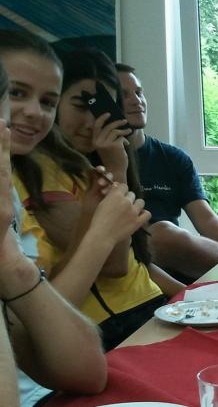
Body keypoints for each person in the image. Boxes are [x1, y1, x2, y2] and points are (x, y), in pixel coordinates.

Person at [3, 32, 167, 350]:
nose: (93, 122)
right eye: (16, 93)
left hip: (142, 307)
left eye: (103, 108)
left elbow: (135, 261)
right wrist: (116, 168)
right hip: (109, 326)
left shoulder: (80, 166)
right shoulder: (38, 170)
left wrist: (188, 291)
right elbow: (115, 265)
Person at [0, 37, 107, 406]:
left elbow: (88, 373)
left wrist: (12, 264)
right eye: (17, 93)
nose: (34, 112)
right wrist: (102, 232)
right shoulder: (33, 176)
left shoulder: (10, 195)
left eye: (47, 102)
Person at [116, 63, 218, 281]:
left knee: (166, 233)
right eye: (123, 95)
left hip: (180, 267)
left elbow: (207, 220)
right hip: (133, 265)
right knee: (161, 233)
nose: (137, 101)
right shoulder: (97, 162)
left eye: (138, 92)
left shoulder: (173, 158)